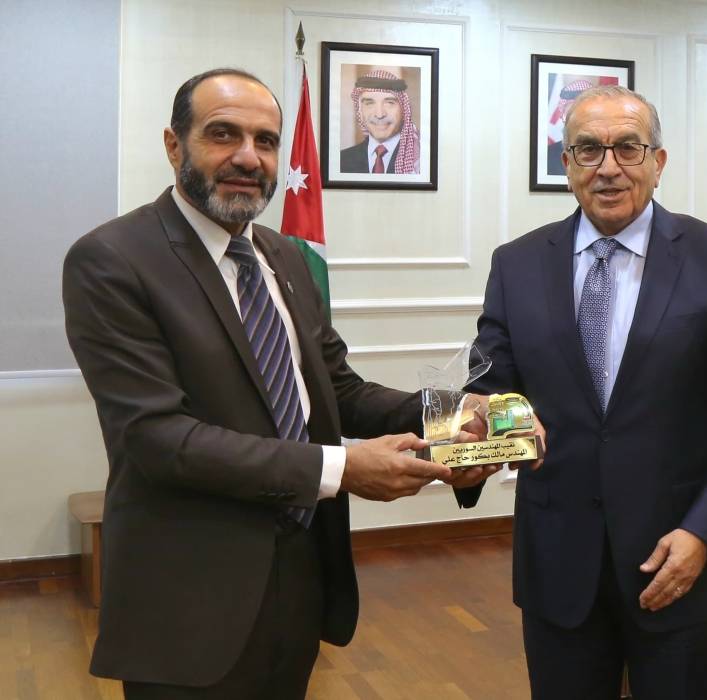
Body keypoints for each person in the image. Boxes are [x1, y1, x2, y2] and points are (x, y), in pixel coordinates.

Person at [62, 68, 495, 699]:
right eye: (223, 134)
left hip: (299, 577)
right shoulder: (113, 260)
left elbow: (338, 392)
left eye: (265, 141)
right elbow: (157, 438)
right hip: (190, 600)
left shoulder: (284, 255)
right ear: (174, 145)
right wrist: (342, 468)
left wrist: (452, 415)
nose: (248, 157)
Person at [457, 84, 707, 699]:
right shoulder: (517, 264)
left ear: (658, 162)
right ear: (566, 163)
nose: (608, 168)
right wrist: (475, 436)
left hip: (679, 562)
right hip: (558, 567)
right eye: (588, 150)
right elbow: (489, 388)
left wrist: (705, 532)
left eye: (628, 148)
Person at [339, 68, 420, 174]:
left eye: (389, 103)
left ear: (403, 109)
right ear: (360, 111)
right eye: (369, 103)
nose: (379, 114)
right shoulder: (342, 160)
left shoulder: (419, 161)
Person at [547, 79, 595, 175]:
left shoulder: (608, 153)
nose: (576, 122)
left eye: (583, 115)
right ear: (562, 116)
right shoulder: (550, 154)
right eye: (570, 115)